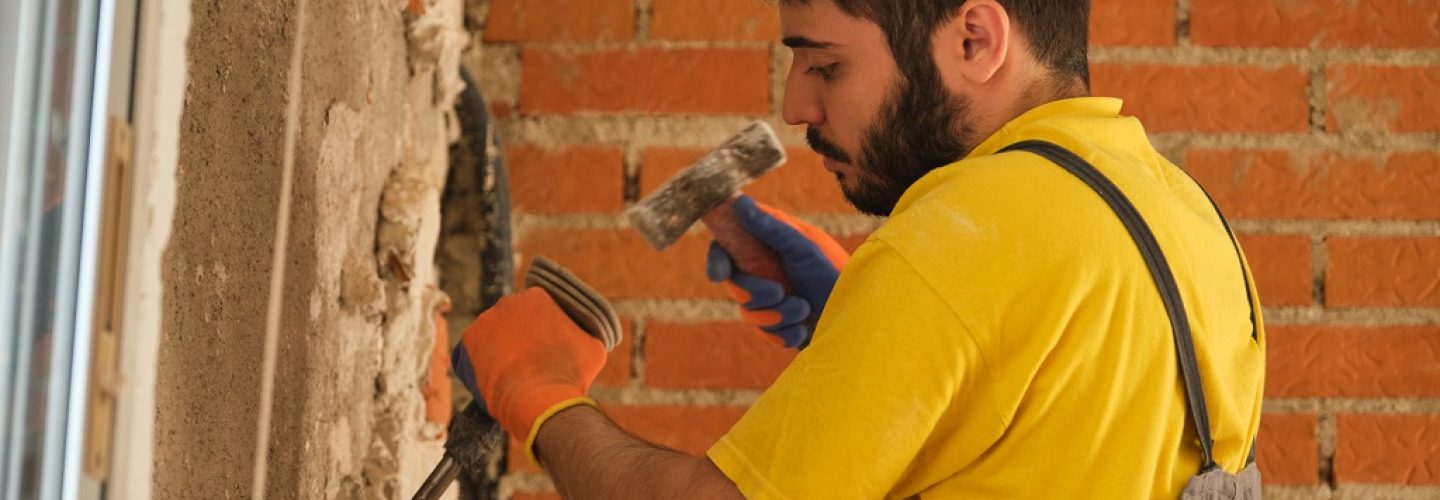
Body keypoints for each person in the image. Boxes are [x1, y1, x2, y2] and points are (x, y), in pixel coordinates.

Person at [450, 0, 1266, 498]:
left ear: (975, 40)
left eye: (827, 64)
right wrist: (872, 320)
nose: (796, 103)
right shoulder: (1189, 222)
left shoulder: (960, 242)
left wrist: (540, 391)